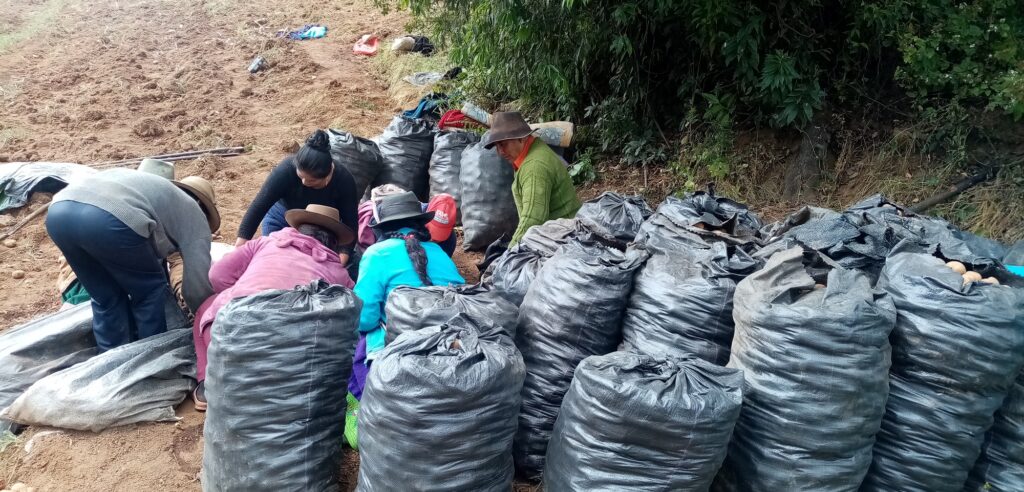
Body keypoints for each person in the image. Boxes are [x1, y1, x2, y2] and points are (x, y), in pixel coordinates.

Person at [190, 204, 355, 411]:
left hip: (232, 332)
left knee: (207, 307)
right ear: (334, 242)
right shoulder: (339, 273)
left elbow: (217, 276)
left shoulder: (265, 243)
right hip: (291, 352)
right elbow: (349, 313)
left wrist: (238, 291)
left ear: (298, 228)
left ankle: (207, 385)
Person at [45, 159, 219, 352]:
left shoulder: (151, 193)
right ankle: (150, 357)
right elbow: (196, 287)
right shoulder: (193, 213)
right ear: (202, 206)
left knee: (106, 297)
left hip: (58, 213)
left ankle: (110, 360)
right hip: (107, 219)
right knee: (149, 292)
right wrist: (206, 318)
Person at [347, 191, 465, 447]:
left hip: (395, 356)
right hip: (451, 349)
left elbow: (364, 319)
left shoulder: (377, 254)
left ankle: (365, 408)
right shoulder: (439, 253)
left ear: (381, 229)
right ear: (420, 225)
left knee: (355, 343)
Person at [236, 129, 359, 265]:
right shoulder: (286, 170)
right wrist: (239, 248)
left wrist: (340, 262)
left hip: (321, 230)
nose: (304, 183)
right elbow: (259, 206)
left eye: (312, 181)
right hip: (282, 219)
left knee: (312, 266)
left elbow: (350, 223)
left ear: (328, 174)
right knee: (275, 261)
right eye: (300, 177)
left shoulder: (344, 181)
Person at [482, 111, 581, 244]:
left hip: (565, 238)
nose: (500, 152)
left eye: (503, 144)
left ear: (521, 138)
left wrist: (511, 251)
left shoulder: (534, 167)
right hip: (561, 232)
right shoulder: (533, 151)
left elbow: (533, 219)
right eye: (497, 146)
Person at [356, 184, 458, 256]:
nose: (433, 240)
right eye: (432, 232)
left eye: (438, 238)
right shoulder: (394, 225)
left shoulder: (449, 241)